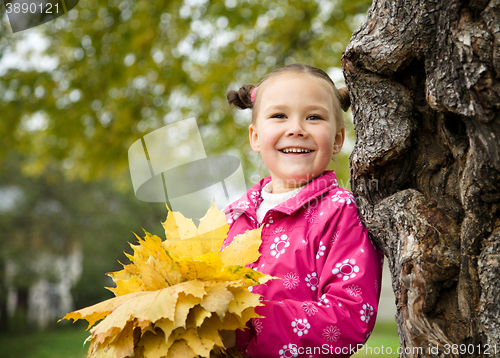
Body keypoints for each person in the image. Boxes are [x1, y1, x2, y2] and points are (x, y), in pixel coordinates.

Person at [221, 64, 384, 358]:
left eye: (314, 117)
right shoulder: (232, 217)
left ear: (337, 140)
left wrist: (244, 327)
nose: (296, 128)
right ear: (255, 137)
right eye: (279, 115)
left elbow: (349, 318)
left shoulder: (340, 212)